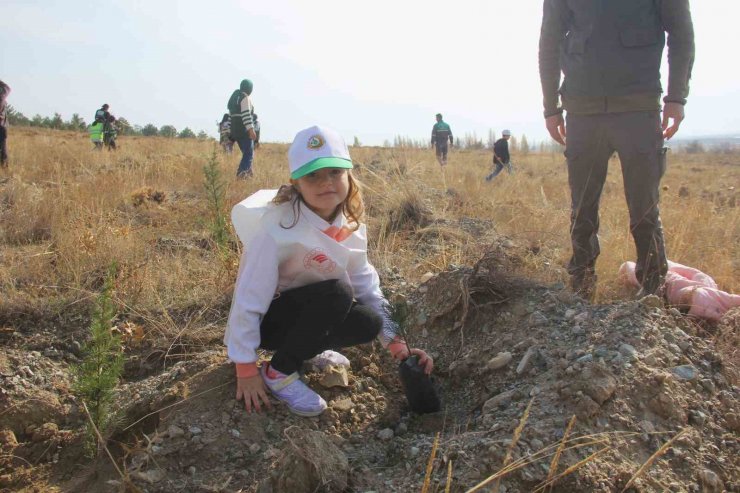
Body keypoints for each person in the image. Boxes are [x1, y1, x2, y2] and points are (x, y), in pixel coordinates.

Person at [225, 125, 434, 416]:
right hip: (271, 321)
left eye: (335, 172)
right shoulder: (276, 228)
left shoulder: (351, 226)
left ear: (348, 174)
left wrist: (398, 344)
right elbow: (249, 297)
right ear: (296, 182)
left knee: (368, 321)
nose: (326, 182)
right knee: (338, 293)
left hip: (311, 313)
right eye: (313, 175)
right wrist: (245, 369)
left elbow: (366, 285)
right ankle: (278, 372)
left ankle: (307, 351)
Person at [538, 0, 695, 299]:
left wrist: (677, 95)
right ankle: (582, 285)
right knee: (582, 208)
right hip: (583, 109)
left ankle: (651, 290)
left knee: (644, 208)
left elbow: (681, 32)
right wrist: (550, 107)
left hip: (638, 106)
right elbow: (550, 38)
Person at [619, 260, 740, 322]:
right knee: (723, 299)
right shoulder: (646, 272)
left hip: (683, 289)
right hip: (694, 289)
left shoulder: (647, 273)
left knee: (691, 292)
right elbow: (687, 270)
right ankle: (701, 298)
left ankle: (701, 298)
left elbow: (627, 266)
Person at [227, 79, 257, 178]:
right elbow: (246, 115)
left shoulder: (234, 98)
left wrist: (231, 134)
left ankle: (249, 174)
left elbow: (231, 116)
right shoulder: (245, 98)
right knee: (248, 154)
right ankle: (241, 174)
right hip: (244, 130)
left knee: (246, 153)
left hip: (235, 131)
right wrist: (251, 130)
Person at [0, 80, 10, 168]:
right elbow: (7, 88)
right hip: (2, 126)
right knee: (3, 146)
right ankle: (4, 166)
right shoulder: (1, 97)